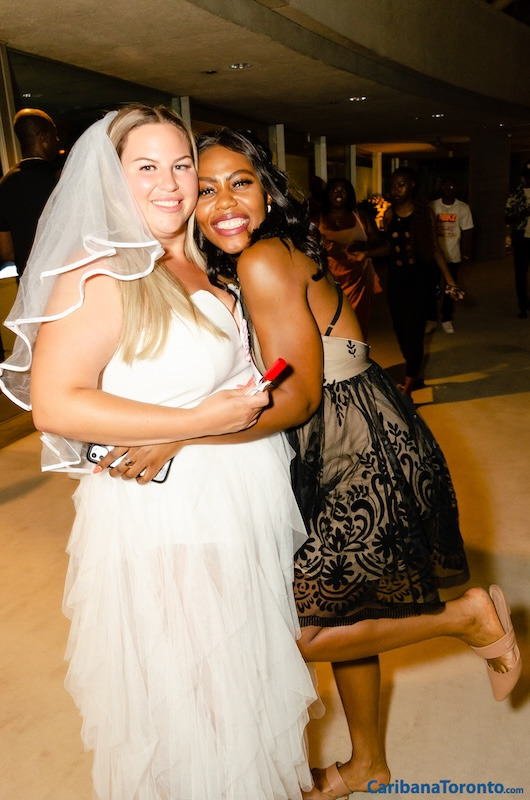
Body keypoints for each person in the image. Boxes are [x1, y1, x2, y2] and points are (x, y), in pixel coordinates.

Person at [99, 128, 521, 800]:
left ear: (267, 192)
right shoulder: (260, 256)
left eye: (240, 182)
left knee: (292, 633)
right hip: (353, 429)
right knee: (349, 606)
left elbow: (296, 399)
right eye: (205, 189)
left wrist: (179, 436)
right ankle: (368, 763)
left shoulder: (263, 260)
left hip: (350, 446)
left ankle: (465, 618)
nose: (224, 202)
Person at [0, 105, 318, 800]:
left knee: (243, 690)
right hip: (171, 514)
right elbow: (55, 403)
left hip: (234, 499)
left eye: (180, 165)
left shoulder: (202, 261)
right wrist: (196, 419)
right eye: (146, 167)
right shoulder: (101, 274)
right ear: (110, 177)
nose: (170, 184)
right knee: (198, 703)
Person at [382, 167, 462, 396]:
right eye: (393, 185)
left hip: (419, 281)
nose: (396, 190)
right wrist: (364, 253)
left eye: (401, 184)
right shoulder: (389, 214)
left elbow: (435, 249)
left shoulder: (423, 214)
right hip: (396, 281)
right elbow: (389, 247)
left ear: (412, 185)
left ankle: (409, 384)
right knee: (400, 330)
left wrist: (450, 281)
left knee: (414, 332)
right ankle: (415, 373)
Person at [318, 178, 383, 340]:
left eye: (343, 190)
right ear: (327, 194)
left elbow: (378, 241)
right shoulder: (317, 217)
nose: (339, 194)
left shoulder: (361, 215)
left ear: (350, 194)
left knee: (358, 321)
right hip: (329, 280)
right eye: (334, 190)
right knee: (330, 323)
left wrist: (362, 247)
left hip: (359, 279)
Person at [0, 108, 60, 278]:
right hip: (62, 278)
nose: (58, 140)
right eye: (54, 134)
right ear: (43, 137)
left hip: (29, 283)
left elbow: (6, 252)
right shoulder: (61, 178)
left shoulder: (5, 185)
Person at [428, 177, 474, 334]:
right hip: (434, 255)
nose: (448, 190)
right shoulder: (432, 206)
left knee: (450, 289)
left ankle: (446, 318)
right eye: (446, 187)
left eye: (452, 187)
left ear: (457, 189)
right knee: (432, 288)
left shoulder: (463, 208)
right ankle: (431, 318)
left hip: (452, 256)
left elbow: (467, 231)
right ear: (441, 188)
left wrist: (466, 254)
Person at [505, 160, 530, 319]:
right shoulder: (515, 194)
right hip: (521, 237)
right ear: (523, 177)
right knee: (521, 273)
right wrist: (524, 213)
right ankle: (523, 305)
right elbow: (507, 218)